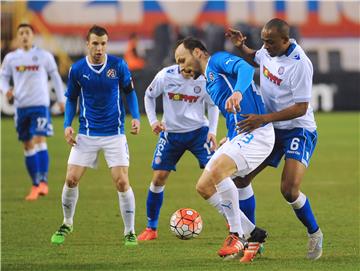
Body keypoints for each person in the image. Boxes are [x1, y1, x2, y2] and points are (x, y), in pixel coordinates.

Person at [226, 18, 323, 260]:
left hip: (298, 129)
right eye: (263, 41)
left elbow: (301, 107)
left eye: (270, 42)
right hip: (270, 127)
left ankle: (314, 233)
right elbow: (255, 58)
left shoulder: (300, 64)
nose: (265, 46)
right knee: (241, 178)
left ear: (285, 40)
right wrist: (241, 46)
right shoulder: (269, 51)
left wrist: (264, 118)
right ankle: (253, 241)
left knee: (289, 190)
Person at [174, 37, 275, 260]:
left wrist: (238, 92)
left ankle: (236, 234)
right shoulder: (209, 80)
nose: (181, 67)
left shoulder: (217, 61)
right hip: (239, 135)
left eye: (182, 60)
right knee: (203, 186)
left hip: (258, 134)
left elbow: (246, 69)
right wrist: (228, 138)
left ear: (198, 52)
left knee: (219, 172)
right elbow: (232, 112)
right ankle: (253, 233)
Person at [50, 25, 141, 246]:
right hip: (87, 133)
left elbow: (129, 92)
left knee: (121, 182)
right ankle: (67, 222)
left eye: (103, 44)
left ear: (106, 44)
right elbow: (71, 98)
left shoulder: (118, 65)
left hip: (114, 133)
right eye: (95, 44)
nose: (99, 48)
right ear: (87, 44)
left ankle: (129, 231)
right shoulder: (77, 69)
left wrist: (136, 117)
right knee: (71, 179)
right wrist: (67, 125)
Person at [137, 64, 219, 240]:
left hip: (199, 132)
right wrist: (153, 121)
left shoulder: (204, 78)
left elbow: (212, 105)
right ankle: (151, 229)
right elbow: (149, 95)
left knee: (218, 176)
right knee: (158, 178)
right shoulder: (165, 75)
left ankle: (233, 222)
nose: (189, 69)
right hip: (171, 133)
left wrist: (212, 131)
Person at [0, 23, 65, 201]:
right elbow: (3, 77)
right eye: (21, 33)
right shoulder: (11, 58)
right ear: (18, 37)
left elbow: (56, 78)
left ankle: (43, 182)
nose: (24, 36)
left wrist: (61, 100)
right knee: (27, 145)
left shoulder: (44, 56)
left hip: (40, 105)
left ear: (32, 36)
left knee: (39, 139)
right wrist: (6, 90)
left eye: (27, 32)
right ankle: (35, 184)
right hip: (21, 107)